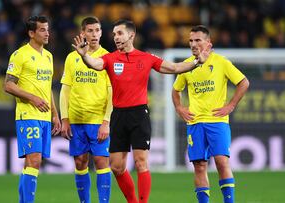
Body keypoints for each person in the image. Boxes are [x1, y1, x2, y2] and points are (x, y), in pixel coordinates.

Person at [72, 19, 210, 203]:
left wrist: (196, 62)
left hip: (139, 114)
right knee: (116, 166)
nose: (115, 38)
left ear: (131, 35)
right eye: (113, 34)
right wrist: (84, 56)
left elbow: (175, 67)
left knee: (141, 162)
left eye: (119, 33)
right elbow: (95, 64)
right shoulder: (110, 58)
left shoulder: (146, 58)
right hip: (119, 115)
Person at [172, 25, 249, 203]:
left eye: (198, 40)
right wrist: (179, 107)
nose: (193, 44)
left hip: (217, 121)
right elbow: (176, 90)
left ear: (208, 43)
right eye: (191, 40)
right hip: (195, 122)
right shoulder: (187, 65)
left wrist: (231, 105)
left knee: (222, 162)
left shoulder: (221, 62)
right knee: (199, 166)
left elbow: (244, 82)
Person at [4, 15, 61, 203]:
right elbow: (8, 85)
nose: (47, 33)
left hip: (44, 117)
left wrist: (55, 114)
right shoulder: (20, 55)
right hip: (27, 113)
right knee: (34, 160)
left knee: (32, 163)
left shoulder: (49, 56)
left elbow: (47, 89)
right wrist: (32, 98)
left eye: (47, 29)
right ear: (31, 33)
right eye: (42, 30)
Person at [60, 16, 112, 203]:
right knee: (80, 162)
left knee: (101, 162)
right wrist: (65, 118)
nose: (94, 34)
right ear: (82, 33)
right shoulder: (72, 58)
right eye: (90, 31)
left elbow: (111, 92)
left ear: (101, 33)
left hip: (98, 120)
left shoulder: (107, 58)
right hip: (76, 120)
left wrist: (106, 121)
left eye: (97, 30)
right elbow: (65, 89)